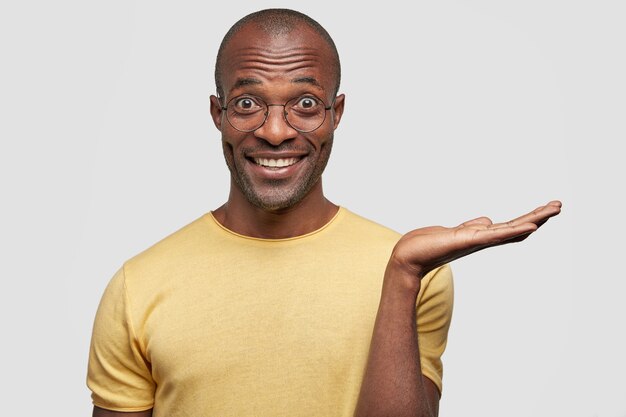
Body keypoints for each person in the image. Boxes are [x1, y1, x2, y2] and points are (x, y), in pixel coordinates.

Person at [86, 8, 561, 417]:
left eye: (306, 104)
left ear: (337, 113)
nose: (274, 132)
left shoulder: (417, 275)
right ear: (217, 114)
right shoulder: (137, 287)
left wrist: (402, 274)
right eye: (248, 103)